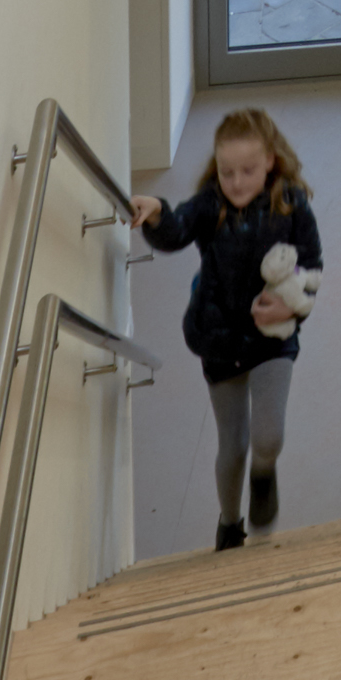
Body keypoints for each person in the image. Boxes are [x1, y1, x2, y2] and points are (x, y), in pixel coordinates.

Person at [133, 104, 325, 556]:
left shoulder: (292, 204)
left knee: (267, 437)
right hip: (219, 340)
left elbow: (311, 265)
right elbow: (176, 231)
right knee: (232, 447)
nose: (236, 182)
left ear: (270, 162)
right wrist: (157, 213)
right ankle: (229, 523)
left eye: (248, 171)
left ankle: (265, 472)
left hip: (272, 339)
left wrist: (290, 308)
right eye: (226, 172)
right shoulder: (210, 204)